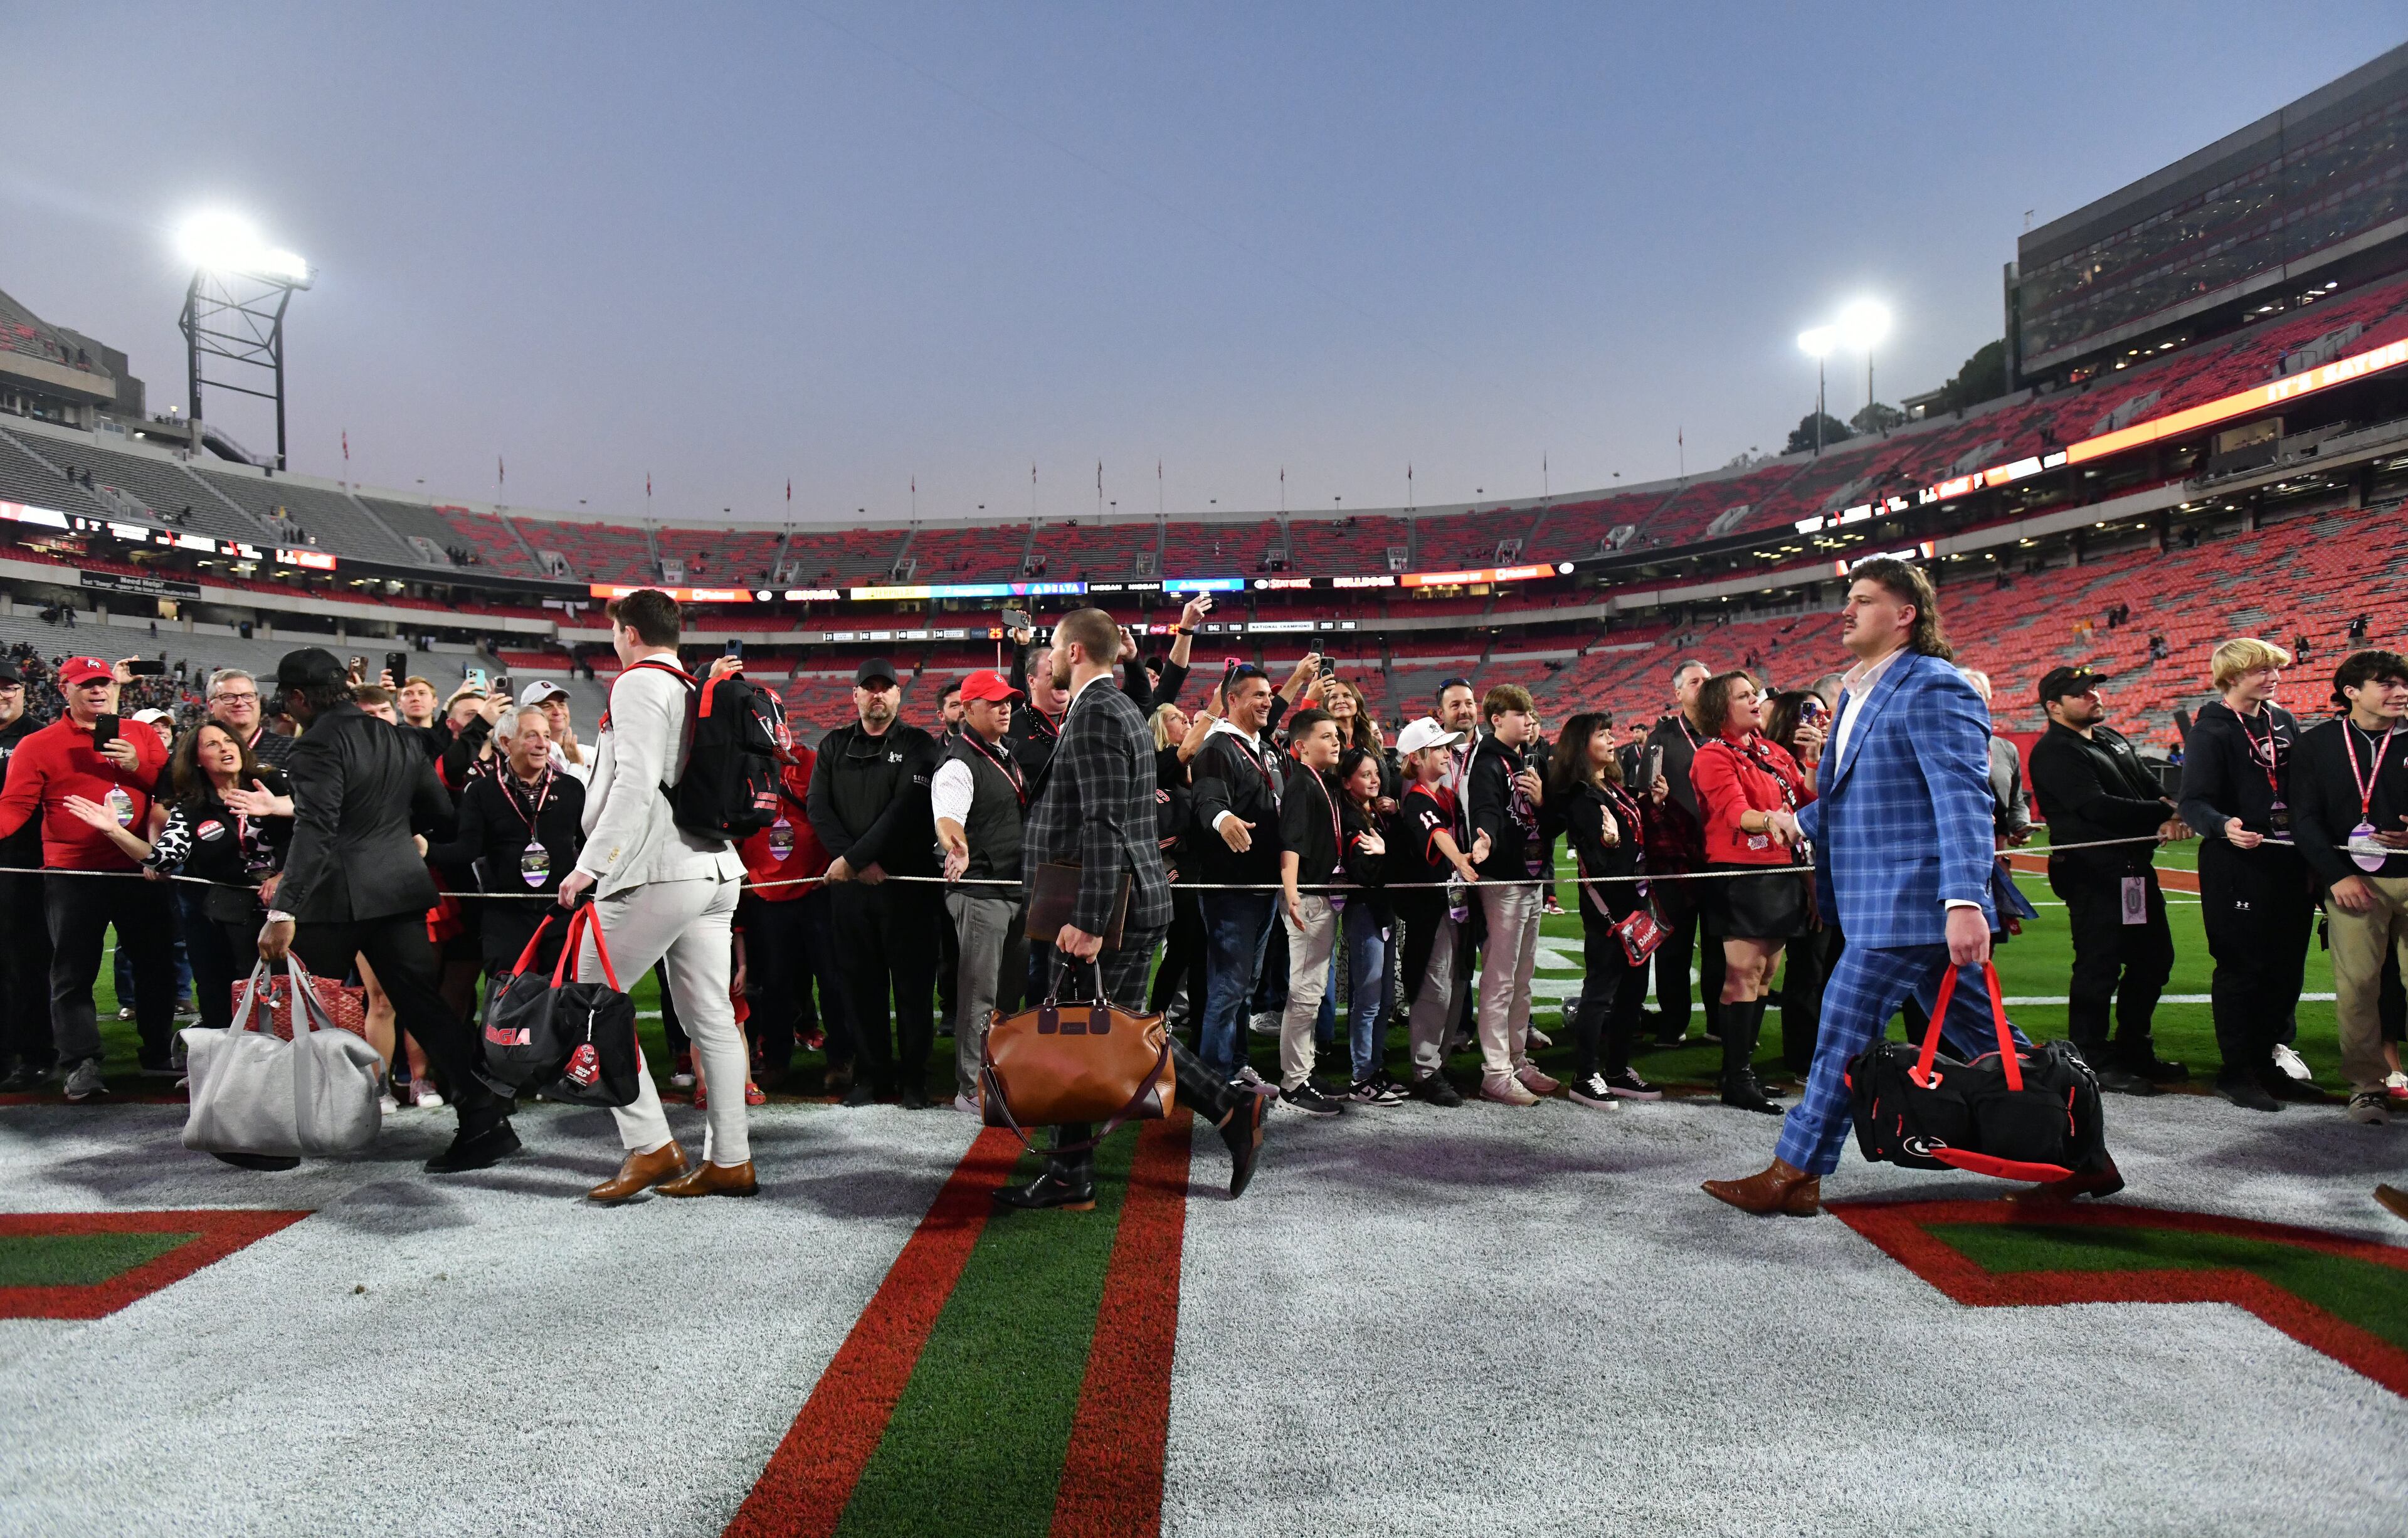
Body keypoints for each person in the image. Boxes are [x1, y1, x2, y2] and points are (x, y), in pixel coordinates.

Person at [1706, 559, 2052, 1216]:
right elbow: (1845, 804)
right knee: (1985, 1035)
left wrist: (1964, 901)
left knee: (1842, 1029)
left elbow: (1961, 801)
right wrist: (1788, 822)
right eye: (1848, 598)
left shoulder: (1934, 687)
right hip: (1884, 902)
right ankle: (2069, 1138)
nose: (1847, 609)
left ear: (1905, 615)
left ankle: (1794, 1170)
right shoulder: (1864, 690)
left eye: (1863, 599)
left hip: (1911, 903)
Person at [995, 608, 1265, 1210]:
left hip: (1111, 907)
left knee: (1094, 1037)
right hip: (1123, 898)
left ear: (1073, 652)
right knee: (1101, 1034)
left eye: (1052, 647)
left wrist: (1090, 921)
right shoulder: (1113, 707)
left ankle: (1225, 1107)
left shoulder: (1094, 712)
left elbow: (1103, 822)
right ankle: (1083, 1169)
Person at [255, 648, 514, 1173]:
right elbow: (439, 812)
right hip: (398, 889)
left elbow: (316, 829)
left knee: (287, 1003)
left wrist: (284, 910)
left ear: (299, 697)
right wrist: (392, 834)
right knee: (427, 1008)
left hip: (336, 897)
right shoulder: (397, 738)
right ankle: (485, 1118)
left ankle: (276, 1130)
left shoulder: (316, 746)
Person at [556, 591, 753, 1199]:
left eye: (615, 631)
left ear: (629, 632)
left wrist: (590, 865)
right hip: (716, 866)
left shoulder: (638, 682)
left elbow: (638, 780)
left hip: (660, 868)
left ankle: (651, 1145)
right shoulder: (693, 686)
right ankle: (731, 1158)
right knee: (712, 1018)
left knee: (585, 1004)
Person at [0, 656, 176, 1099]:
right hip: (73, 872)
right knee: (73, 970)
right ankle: (80, 1061)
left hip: (140, 869)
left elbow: (172, 791)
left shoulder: (140, 735)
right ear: (64, 690)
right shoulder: (38, 744)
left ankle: (158, 1052)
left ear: (117, 690)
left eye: (104, 685)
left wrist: (138, 764)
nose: (99, 692)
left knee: (155, 964)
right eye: (86, 685)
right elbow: (14, 808)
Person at [65, 720, 291, 1039]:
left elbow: (320, 826)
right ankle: (223, 1066)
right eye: (212, 744)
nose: (225, 748)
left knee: (281, 993)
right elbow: (163, 859)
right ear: (197, 759)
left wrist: (286, 874)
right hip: (221, 913)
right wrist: (114, 831)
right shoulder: (191, 808)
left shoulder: (275, 783)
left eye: (229, 741)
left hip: (283, 909)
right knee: (216, 989)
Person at [2177, 638, 2328, 1112]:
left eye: (2276, 668)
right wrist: (2223, 825)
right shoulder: (2212, 729)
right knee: (2243, 968)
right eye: (2261, 670)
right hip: (2239, 864)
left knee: (2286, 969)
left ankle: (2268, 1066)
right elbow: (2193, 802)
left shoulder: (2282, 720)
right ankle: (2236, 1071)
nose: (2274, 677)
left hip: (2288, 859)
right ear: (2232, 676)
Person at [2027, 667, 2193, 1095]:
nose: (2094, 696)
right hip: (2091, 871)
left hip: (2133, 868)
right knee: (2098, 965)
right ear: (2054, 706)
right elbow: (2096, 807)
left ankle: (2134, 1048)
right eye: (2080, 693)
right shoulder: (2054, 750)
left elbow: (2148, 785)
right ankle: (2093, 1058)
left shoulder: (2110, 738)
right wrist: (2166, 813)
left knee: (2154, 960)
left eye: (2094, 688)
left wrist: (2172, 806)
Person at [807, 655, 944, 1109]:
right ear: (856, 695)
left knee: (912, 988)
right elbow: (819, 810)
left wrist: (853, 858)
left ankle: (914, 1078)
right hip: (851, 892)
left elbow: (904, 812)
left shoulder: (921, 743)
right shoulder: (832, 746)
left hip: (907, 890)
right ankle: (870, 1075)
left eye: (886, 687)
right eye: (870, 687)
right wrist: (853, 863)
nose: (878, 694)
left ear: (899, 695)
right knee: (859, 987)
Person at [2287, 649, 2408, 1127]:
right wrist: (2336, 875)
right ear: (2351, 692)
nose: (2401, 692)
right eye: (2388, 683)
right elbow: (2304, 817)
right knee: (2358, 986)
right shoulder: (2317, 745)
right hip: (2355, 882)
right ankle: (2368, 1086)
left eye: (2404, 683)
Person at [1688, 670, 1817, 1115]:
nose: (1755, 700)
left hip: (1781, 870)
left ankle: (1740, 1070)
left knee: (1765, 974)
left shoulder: (1774, 751)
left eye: (1754, 693)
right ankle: (1737, 1076)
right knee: (1742, 974)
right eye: (1744, 695)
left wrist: (1815, 759)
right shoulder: (1712, 755)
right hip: (1739, 872)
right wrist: (1773, 821)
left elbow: (1809, 799)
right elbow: (1733, 813)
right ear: (1721, 707)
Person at [1548, 711, 1667, 1109]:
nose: (1611, 740)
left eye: (1610, 733)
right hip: (1608, 910)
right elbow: (1601, 862)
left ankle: (1617, 1069)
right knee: (1600, 992)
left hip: (1635, 904)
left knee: (1633, 993)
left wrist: (1653, 803)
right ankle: (1585, 1075)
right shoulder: (1583, 795)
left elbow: (1634, 835)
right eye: (1602, 735)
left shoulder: (1613, 786)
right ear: (1583, 747)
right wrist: (1612, 844)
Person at [731, 703, 848, 1092]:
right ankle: (777, 1060)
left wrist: (832, 862)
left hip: (815, 891)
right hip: (765, 895)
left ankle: (841, 1059)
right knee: (775, 986)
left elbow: (838, 814)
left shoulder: (811, 762)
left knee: (832, 981)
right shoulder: (738, 769)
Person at [1186, 664, 1289, 1095]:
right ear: (1232, 699)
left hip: (1261, 885)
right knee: (1229, 987)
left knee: (1245, 987)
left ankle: (1237, 1066)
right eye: (1258, 695)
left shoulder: (1262, 748)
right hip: (1232, 888)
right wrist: (1223, 818)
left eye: (1269, 695)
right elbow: (1206, 800)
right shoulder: (1217, 747)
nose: (1267, 701)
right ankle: (1214, 1080)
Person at [422, 708, 585, 979]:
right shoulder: (481, 791)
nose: (543, 744)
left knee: (564, 997)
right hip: (505, 913)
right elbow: (467, 851)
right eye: (531, 736)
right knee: (505, 993)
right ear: (507, 742)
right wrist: (426, 850)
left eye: (545, 735)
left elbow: (587, 846)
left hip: (562, 910)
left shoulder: (571, 788)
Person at [934, 669, 1030, 1112]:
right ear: (969, 708)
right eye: (993, 701)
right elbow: (949, 816)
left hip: (1012, 889)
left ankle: (997, 1072)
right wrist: (958, 846)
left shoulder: (1002, 753)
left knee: (1007, 994)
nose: (1005, 706)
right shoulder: (958, 761)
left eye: (1007, 699)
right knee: (980, 994)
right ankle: (971, 1087)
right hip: (981, 892)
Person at [1465, 683, 1554, 1105]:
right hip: (1502, 881)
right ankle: (1495, 1071)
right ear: (1497, 718)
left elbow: (1541, 819)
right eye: (1521, 713)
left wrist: (1543, 799)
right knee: (1501, 979)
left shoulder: (1523, 759)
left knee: (1522, 979)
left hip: (1529, 878)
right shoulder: (1487, 762)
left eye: (1531, 713)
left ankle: (1516, 1059)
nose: (1530, 720)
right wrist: (1484, 839)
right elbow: (1486, 810)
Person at [1272, 707, 1353, 1115]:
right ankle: (1293, 1082)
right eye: (1326, 735)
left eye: (1336, 734)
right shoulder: (1302, 786)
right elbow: (1291, 843)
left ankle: (1303, 1070)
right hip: (1309, 897)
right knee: (1305, 993)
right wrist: (1292, 894)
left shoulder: (1321, 781)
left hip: (1320, 896)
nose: (1335, 740)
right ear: (1301, 746)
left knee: (1313, 990)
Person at [1644, 658, 1725, 1046]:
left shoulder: (1725, 729)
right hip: (1676, 858)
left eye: (1707, 680)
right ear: (1677, 692)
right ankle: (1673, 1021)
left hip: (1723, 853)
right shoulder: (1662, 737)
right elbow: (1646, 794)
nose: (1703, 686)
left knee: (1720, 943)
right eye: (1695, 682)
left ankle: (1719, 1021)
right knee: (1674, 946)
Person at [1333, 744, 1400, 1102]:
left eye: (1376, 773)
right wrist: (1390, 857)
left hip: (1381, 912)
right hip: (1365, 912)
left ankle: (1374, 1068)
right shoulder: (1353, 819)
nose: (1374, 779)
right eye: (1365, 774)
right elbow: (1365, 874)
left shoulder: (1375, 814)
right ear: (1347, 782)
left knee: (1384, 998)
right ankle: (1362, 1076)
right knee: (1369, 999)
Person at [0, 661, 55, 1090]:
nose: (2, 695)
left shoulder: (39, 738)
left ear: (23, 691)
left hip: (23, 869)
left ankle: (34, 1054)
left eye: (9, 687)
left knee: (27, 965)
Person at [205, 668, 294, 770]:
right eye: (228, 697)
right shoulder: (196, 751)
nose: (240, 703)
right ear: (211, 706)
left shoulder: (292, 750)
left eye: (248, 696)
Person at [519, 680, 591, 783]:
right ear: (528, 714)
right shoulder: (524, 757)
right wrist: (576, 764)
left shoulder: (590, 752)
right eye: (547, 706)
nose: (558, 712)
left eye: (561, 705)